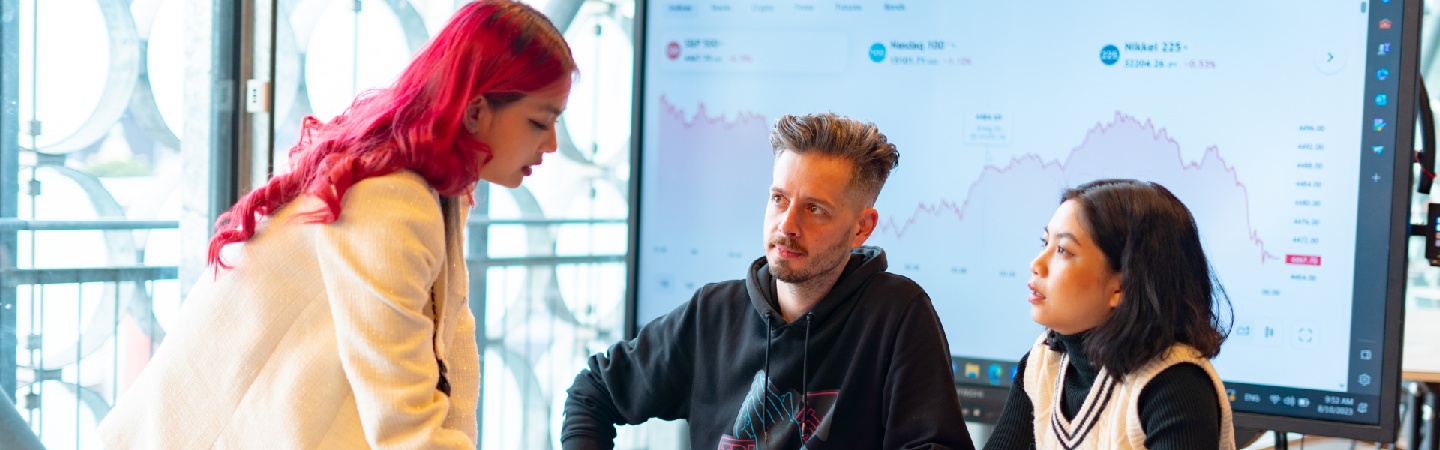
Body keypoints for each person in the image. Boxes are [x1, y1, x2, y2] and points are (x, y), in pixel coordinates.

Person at [96, 1, 574, 448]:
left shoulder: (431, 191)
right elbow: (402, 416)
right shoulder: (392, 198)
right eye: (539, 121)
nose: (550, 145)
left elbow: (450, 363)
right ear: (475, 112)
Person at [562, 113, 974, 450]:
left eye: (814, 209)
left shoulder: (897, 315)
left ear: (861, 229)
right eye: (779, 199)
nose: (787, 225)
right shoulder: (713, 313)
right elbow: (592, 392)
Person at [983, 179, 1236, 450]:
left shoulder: (1175, 384)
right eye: (1045, 242)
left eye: (1063, 250)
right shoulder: (1043, 363)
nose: (1036, 264)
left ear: (1123, 286)